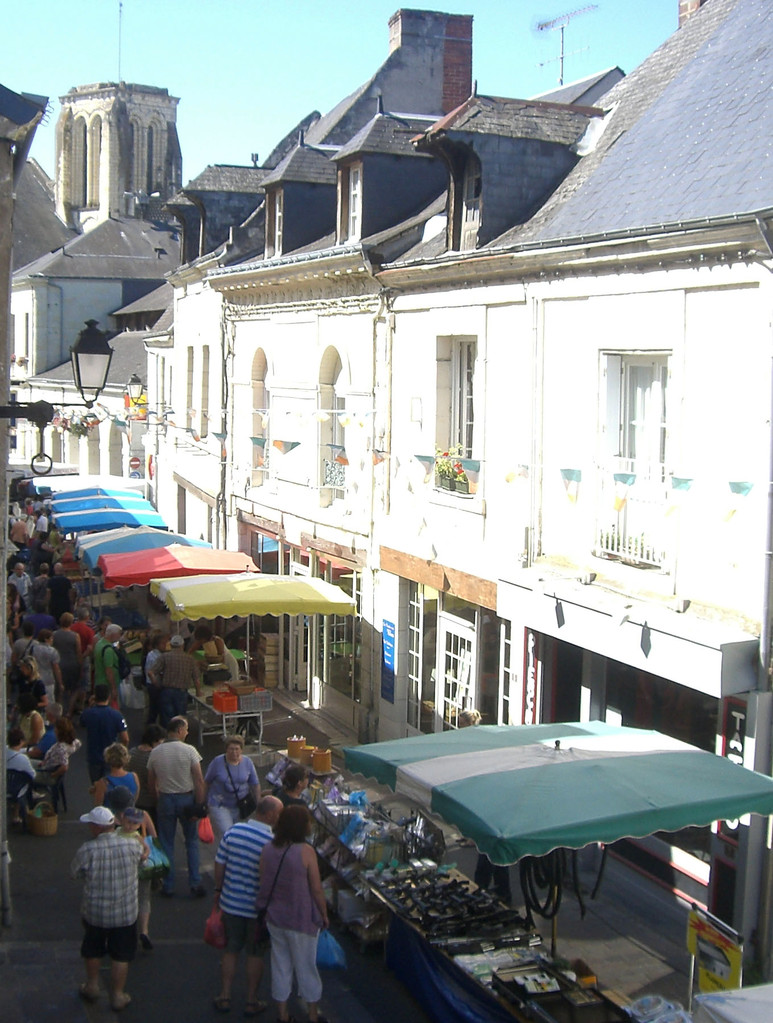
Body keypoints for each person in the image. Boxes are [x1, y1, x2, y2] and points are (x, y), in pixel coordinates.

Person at [257, 804, 329, 1023]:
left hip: (275, 918)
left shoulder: (268, 849)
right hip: (302, 918)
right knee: (306, 967)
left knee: (280, 965)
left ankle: (282, 1014)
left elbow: (263, 881)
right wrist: (324, 915)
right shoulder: (306, 852)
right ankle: (313, 1015)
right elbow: (316, 889)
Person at [212, 794, 283, 1015]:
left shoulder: (233, 831)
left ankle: (225, 995)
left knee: (231, 949)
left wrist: (219, 891)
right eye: (279, 814)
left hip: (231, 903)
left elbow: (219, 864)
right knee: (255, 953)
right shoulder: (272, 843)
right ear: (270, 815)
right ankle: (251, 1000)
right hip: (257, 910)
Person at [71, 805, 145, 1011]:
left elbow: (74, 873)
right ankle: (118, 995)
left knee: (93, 950)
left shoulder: (87, 849)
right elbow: (143, 864)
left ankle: (92, 986)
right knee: (121, 955)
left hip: (95, 912)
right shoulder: (132, 846)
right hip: (125, 913)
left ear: (96, 827)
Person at [147, 715, 206, 897]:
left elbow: (151, 781)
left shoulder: (155, 752)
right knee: (191, 841)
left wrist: (157, 799)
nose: (187, 732)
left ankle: (169, 884)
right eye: (186, 729)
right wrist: (200, 804)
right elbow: (198, 779)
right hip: (186, 798)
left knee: (166, 842)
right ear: (179, 730)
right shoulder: (189, 751)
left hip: (166, 798)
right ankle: (195, 882)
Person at [459, 707, 513, 905]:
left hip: (492, 823)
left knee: (489, 860)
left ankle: (485, 892)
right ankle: (500, 892)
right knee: (495, 860)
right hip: (493, 825)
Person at [112, 791, 158, 952]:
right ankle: (144, 931)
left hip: (123, 870)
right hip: (143, 867)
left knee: (125, 899)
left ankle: (125, 931)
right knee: (144, 898)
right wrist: (146, 853)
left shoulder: (117, 822)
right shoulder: (143, 815)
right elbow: (153, 837)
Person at [204, 734, 260, 844]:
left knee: (240, 836)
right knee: (227, 833)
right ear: (226, 749)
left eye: (237, 749)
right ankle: (223, 857)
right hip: (219, 804)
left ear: (242, 750)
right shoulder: (217, 762)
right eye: (231, 749)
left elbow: (255, 784)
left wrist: (258, 803)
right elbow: (207, 782)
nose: (234, 752)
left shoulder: (248, 762)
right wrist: (203, 801)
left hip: (240, 805)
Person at [80, 683, 129, 783]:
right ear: (108, 696)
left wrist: (90, 705)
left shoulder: (87, 714)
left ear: (94, 696)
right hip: (111, 757)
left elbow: (82, 723)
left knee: (96, 786)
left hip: (93, 756)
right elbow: (125, 738)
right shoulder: (116, 715)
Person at [156, 634, 201, 726]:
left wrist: (157, 684)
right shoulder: (190, 659)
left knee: (166, 719)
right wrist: (198, 692)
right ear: (183, 645)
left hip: (166, 691)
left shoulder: (164, 657)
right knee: (180, 720)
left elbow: (151, 672)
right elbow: (196, 678)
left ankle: (166, 737)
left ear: (171, 645)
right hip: (181, 693)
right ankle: (178, 737)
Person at [128, 723, 166, 826]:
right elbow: (153, 785)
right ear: (155, 741)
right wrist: (158, 801)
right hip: (149, 802)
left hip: (133, 800)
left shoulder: (131, 752)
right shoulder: (154, 758)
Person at [33, 715, 81, 785]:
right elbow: (78, 744)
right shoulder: (72, 742)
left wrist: (53, 775)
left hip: (47, 772)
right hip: (47, 764)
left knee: (25, 770)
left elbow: (64, 767)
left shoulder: (61, 749)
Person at [93, 742, 140, 810]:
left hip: (110, 819)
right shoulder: (134, 777)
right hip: (128, 818)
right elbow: (134, 800)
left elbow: (97, 808)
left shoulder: (103, 783)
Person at [53, 612, 83, 716]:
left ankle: (59, 712)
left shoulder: (54, 635)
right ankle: (69, 711)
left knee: (60, 689)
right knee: (74, 689)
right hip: (72, 664)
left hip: (59, 664)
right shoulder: (75, 636)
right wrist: (80, 665)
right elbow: (78, 652)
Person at [6, 726, 35, 825]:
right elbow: (32, 775)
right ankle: (16, 815)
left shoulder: (3, 751)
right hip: (16, 789)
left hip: (4, 785)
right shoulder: (23, 759)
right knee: (22, 786)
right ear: (21, 741)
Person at [142, 630, 168, 726]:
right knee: (156, 708)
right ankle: (152, 729)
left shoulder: (152, 654)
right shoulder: (156, 656)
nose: (165, 646)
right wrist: (157, 684)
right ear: (157, 644)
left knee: (154, 708)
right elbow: (154, 672)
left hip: (151, 684)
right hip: (154, 685)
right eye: (163, 643)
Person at [30, 629, 62, 704]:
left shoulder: (33, 648)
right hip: (48, 680)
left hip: (35, 678)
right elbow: (56, 668)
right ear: (46, 639)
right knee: (49, 701)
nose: (52, 640)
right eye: (51, 638)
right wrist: (60, 683)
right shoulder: (52, 651)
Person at [93, 623, 122, 707]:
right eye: (119, 634)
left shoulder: (99, 644)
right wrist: (113, 688)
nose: (119, 637)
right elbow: (109, 670)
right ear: (113, 634)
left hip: (99, 680)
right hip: (107, 684)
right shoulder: (108, 650)